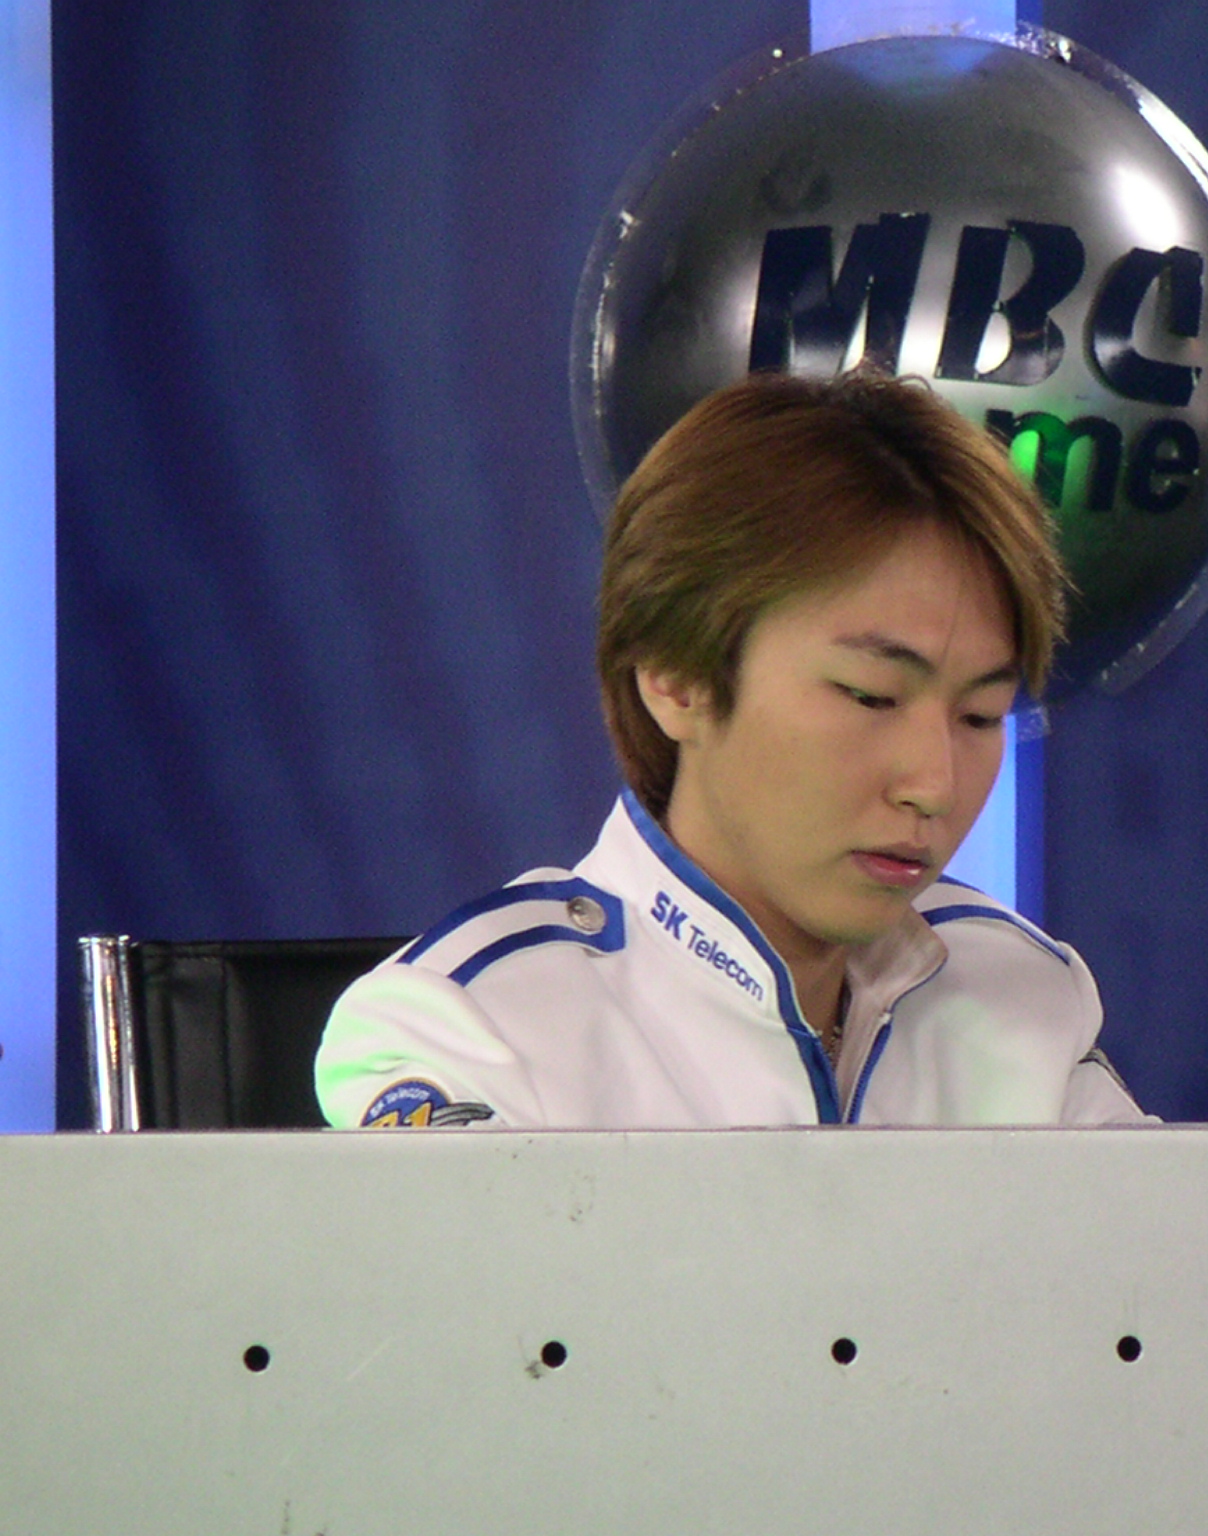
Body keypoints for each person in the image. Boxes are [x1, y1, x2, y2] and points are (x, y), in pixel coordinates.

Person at [315, 370, 1146, 1128]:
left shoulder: (1019, 993)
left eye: (981, 714)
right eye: (871, 696)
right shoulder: (472, 1030)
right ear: (674, 678)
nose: (934, 785)